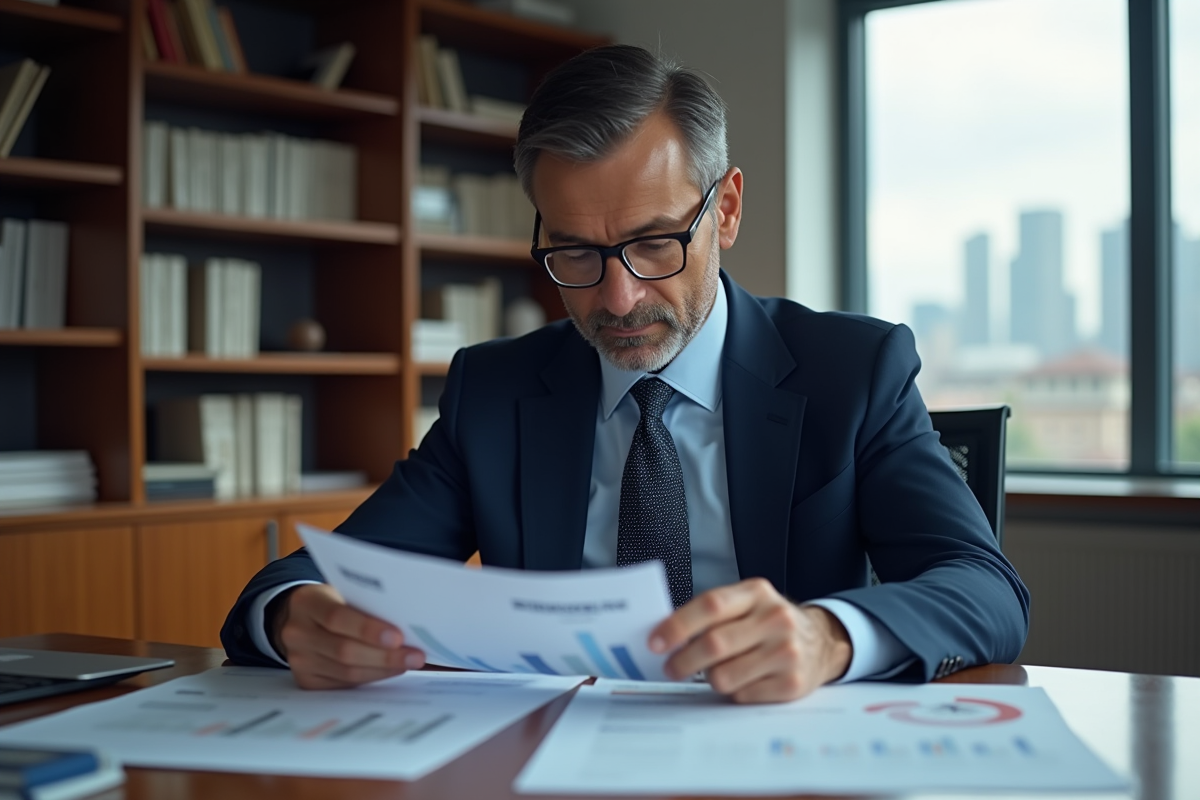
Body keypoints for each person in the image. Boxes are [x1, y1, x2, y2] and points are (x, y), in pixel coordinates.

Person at [221, 44, 1029, 704]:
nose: (618, 297)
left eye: (652, 243)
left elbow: (984, 590)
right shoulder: (496, 392)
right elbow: (307, 581)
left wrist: (829, 636)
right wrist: (296, 619)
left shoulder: (853, 371)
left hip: (777, 762)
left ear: (727, 210)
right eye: (574, 251)